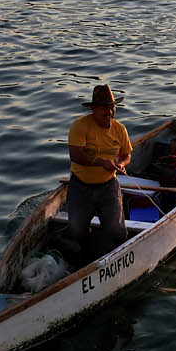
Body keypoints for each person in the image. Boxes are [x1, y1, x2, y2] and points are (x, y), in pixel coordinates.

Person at [62, 84, 131, 262]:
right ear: (93, 109)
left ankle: (118, 258)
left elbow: (126, 155)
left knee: (118, 232)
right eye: (103, 108)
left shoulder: (120, 129)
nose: (108, 112)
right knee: (76, 231)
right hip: (80, 186)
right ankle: (85, 256)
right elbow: (75, 155)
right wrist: (102, 163)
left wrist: (121, 164)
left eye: (111, 107)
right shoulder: (80, 126)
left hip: (108, 186)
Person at [152, 137, 176, 211]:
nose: (170, 149)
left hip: (174, 190)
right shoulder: (174, 158)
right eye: (170, 147)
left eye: (172, 147)